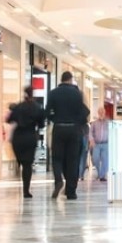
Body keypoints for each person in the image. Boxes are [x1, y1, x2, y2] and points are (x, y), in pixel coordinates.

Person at [47, 71, 90, 200]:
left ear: (61, 79)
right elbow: (85, 112)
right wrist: (78, 122)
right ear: (71, 80)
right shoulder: (77, 94)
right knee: (73, 160)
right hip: (74, 130)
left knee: (57, 158)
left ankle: (58, 180)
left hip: (59, 128)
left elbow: (47, 111)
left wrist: (55, 119)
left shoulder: (53, 93)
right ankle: (71, 191)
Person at [7, 86, 45, 198]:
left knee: (21, 160)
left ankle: (18, 166)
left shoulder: (18, 107)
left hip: (18, 138)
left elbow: (9, 120)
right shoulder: (37, 108)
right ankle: (26, 190)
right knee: (27, 165)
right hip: (30, 137)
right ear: (32, 94)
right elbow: (42, 124)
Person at [89, 106, 110, 182]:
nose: (101, 113)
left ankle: (102, 176)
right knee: (95, 159)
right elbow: (90, 132)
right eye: (100, 112)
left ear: (104, 113)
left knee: (105, 160)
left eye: (102, 112)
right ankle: (100, 172)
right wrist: (91, 140)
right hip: (96, 144)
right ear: (98, 113)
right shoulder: (94, 123)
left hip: (105, 144)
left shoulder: (108, 122)